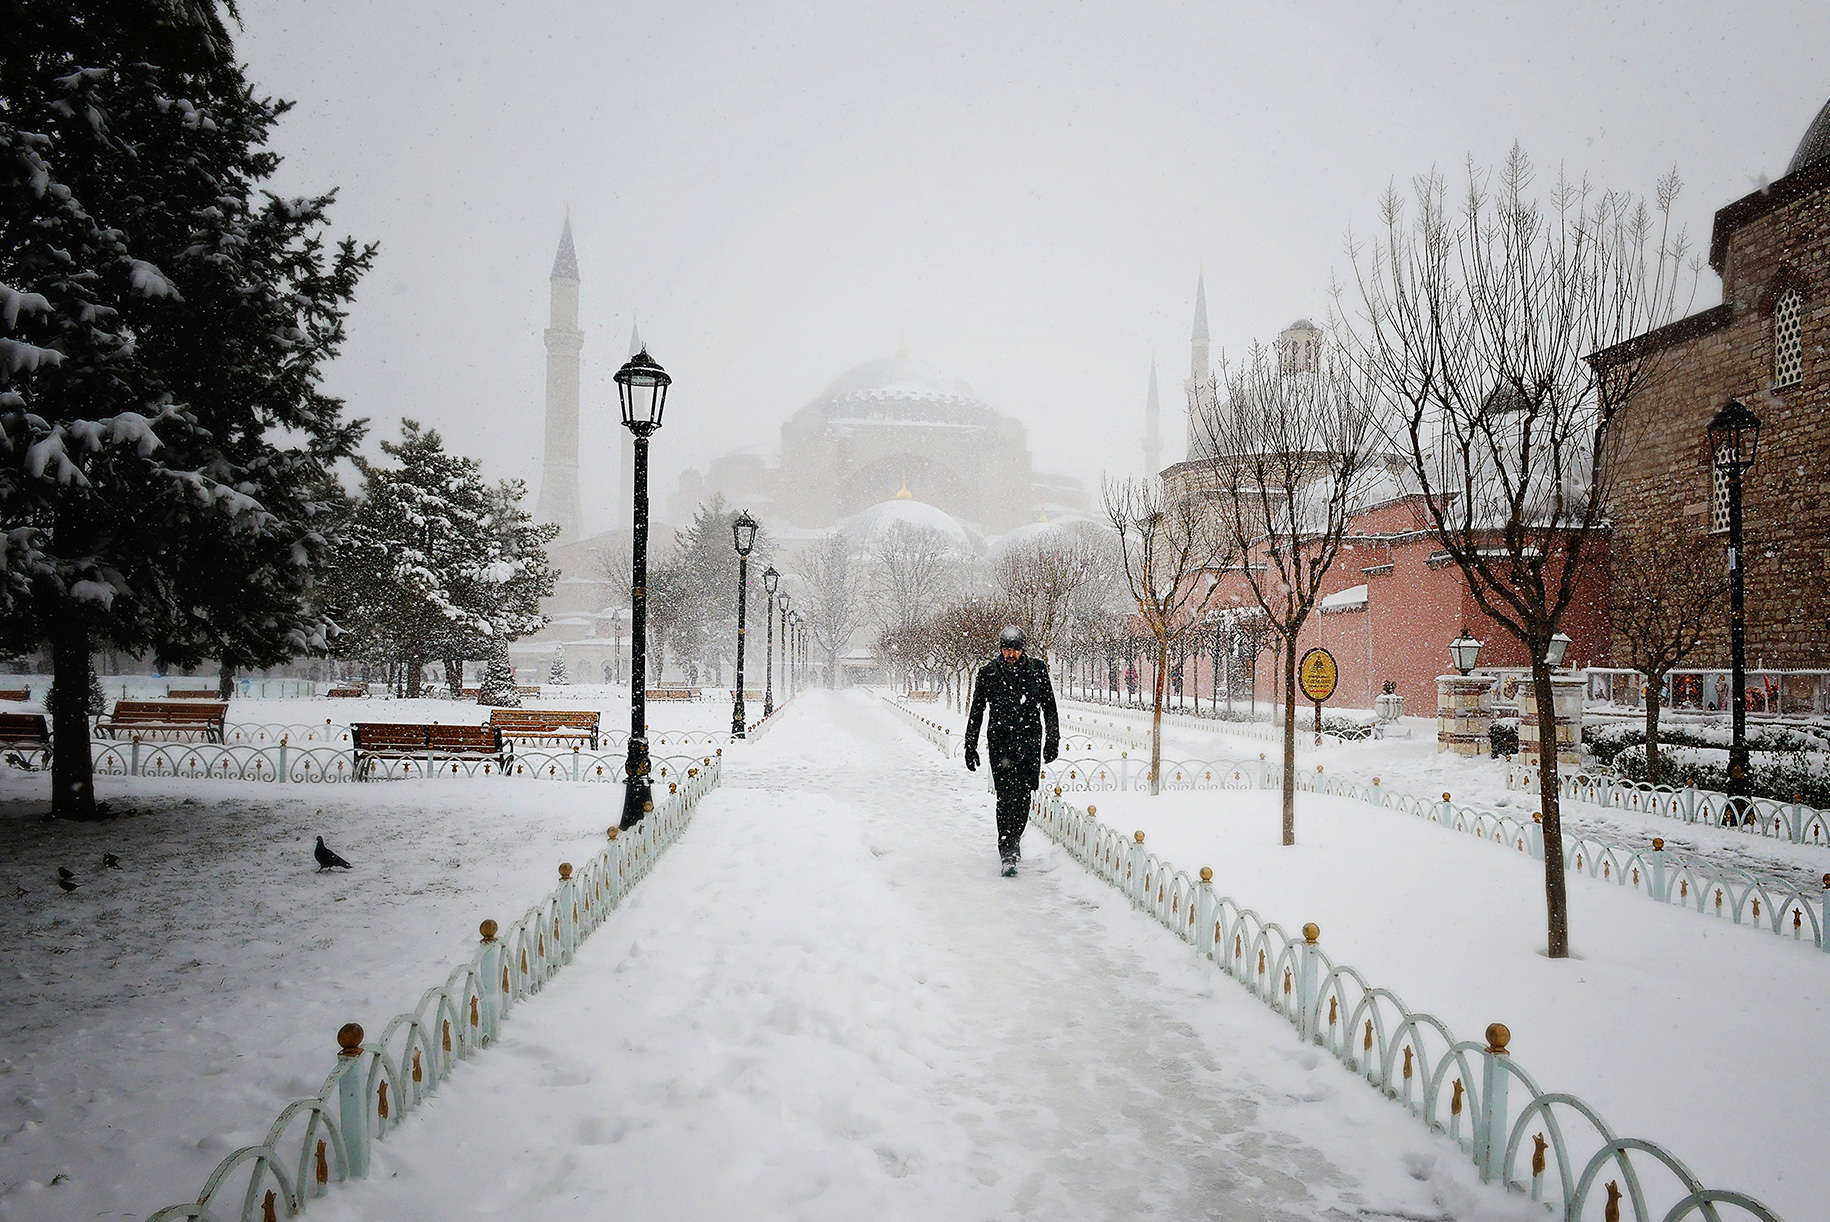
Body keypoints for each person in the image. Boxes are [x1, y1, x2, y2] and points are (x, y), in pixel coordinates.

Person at [964, 625, 1059, 876]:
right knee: (1005, 796)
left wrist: (1052, 740)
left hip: (1028, 742)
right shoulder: (988, 673)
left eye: (1015, 649)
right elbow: (977, 711)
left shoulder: (1037, 670)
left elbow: (1049, 707)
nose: (1011, 654)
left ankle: (1015, 838)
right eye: (1006, 649)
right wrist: (970, 745)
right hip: (1001, 743)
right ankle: (1007, 850)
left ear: (1023, 649)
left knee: (1024, 795)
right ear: (1000, 649)